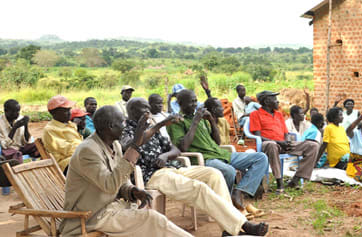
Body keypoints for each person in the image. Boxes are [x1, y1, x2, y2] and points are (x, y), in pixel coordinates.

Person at [121, 98, 268, 236]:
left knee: (214, 174)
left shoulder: (152, 128)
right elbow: (129, 146)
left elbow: (176, 150)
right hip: (152, 175)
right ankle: (242, 224)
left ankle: (227, 229)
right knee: (198, 188)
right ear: (133, 111)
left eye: (148, 107)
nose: (148, 111)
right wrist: (159, 125)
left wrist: (165, 156)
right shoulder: (125, 130)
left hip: (172, 168)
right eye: (144, 108)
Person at [58, 105, 190, 237]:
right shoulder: (88, 151)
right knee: (154, 221)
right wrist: (135, 146)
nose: (125, 126)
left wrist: (132, 191)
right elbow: (110, 185)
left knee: (153, 220)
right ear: (110, 126)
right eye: (122, 122)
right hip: (92, 216)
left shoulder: (114, 144)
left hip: (112, 208)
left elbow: (120, 181)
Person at [167, 90, 269, 211]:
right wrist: (194, 122)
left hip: (220, 154)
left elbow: (217, 142)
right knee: (229, 171)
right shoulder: (177, 122)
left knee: (261, 158)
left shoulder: (201, 118)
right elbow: (183, 147)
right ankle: (226, 206)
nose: (194, 104)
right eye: (191, 102)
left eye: (195, 101)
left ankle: (238, 192)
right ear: (180, 103)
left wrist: (210, 119)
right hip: (203, 158)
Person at [250, 90, 319, 192]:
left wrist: (286, 142)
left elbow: (286, 133)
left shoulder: (278, 115)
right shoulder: (255, 114)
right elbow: (258, 137)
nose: (277, 102)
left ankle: (295, 179)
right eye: (275, 99)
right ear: (267, 101)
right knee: (271, 145)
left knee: (313, 145)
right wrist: (279, 142)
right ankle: (279, 182)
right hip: (269, 145)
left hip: (283, 144)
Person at [43, 95, 82, 172]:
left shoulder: (70, 124)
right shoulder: (50, 130)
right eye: (65, 111)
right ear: (54, 113)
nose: (69, 113)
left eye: (69, 110)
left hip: (79, 157)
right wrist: (85, 150)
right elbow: (66, 149)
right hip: (65, 164)